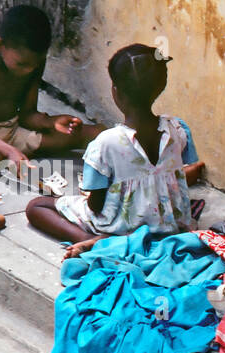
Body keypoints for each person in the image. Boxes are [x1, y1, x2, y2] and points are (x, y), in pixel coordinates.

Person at [27, 43, 205, 258]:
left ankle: (97, 243)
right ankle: (127, 241)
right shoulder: (178, 129)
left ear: (115, 91)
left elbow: (95, 205)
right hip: (169, 224)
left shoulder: (105, 144)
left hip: (121, 228)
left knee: (37, 206)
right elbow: (169, 172)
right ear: (161, 86)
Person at [0, 5, 102, 234]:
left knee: (89, 134)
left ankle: (127, 146)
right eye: (21, 64)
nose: (26, 70)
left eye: (33, 64)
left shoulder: (33, 62)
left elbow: (28, 114)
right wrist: (9, 151)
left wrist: (52, 122)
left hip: (13, 128)